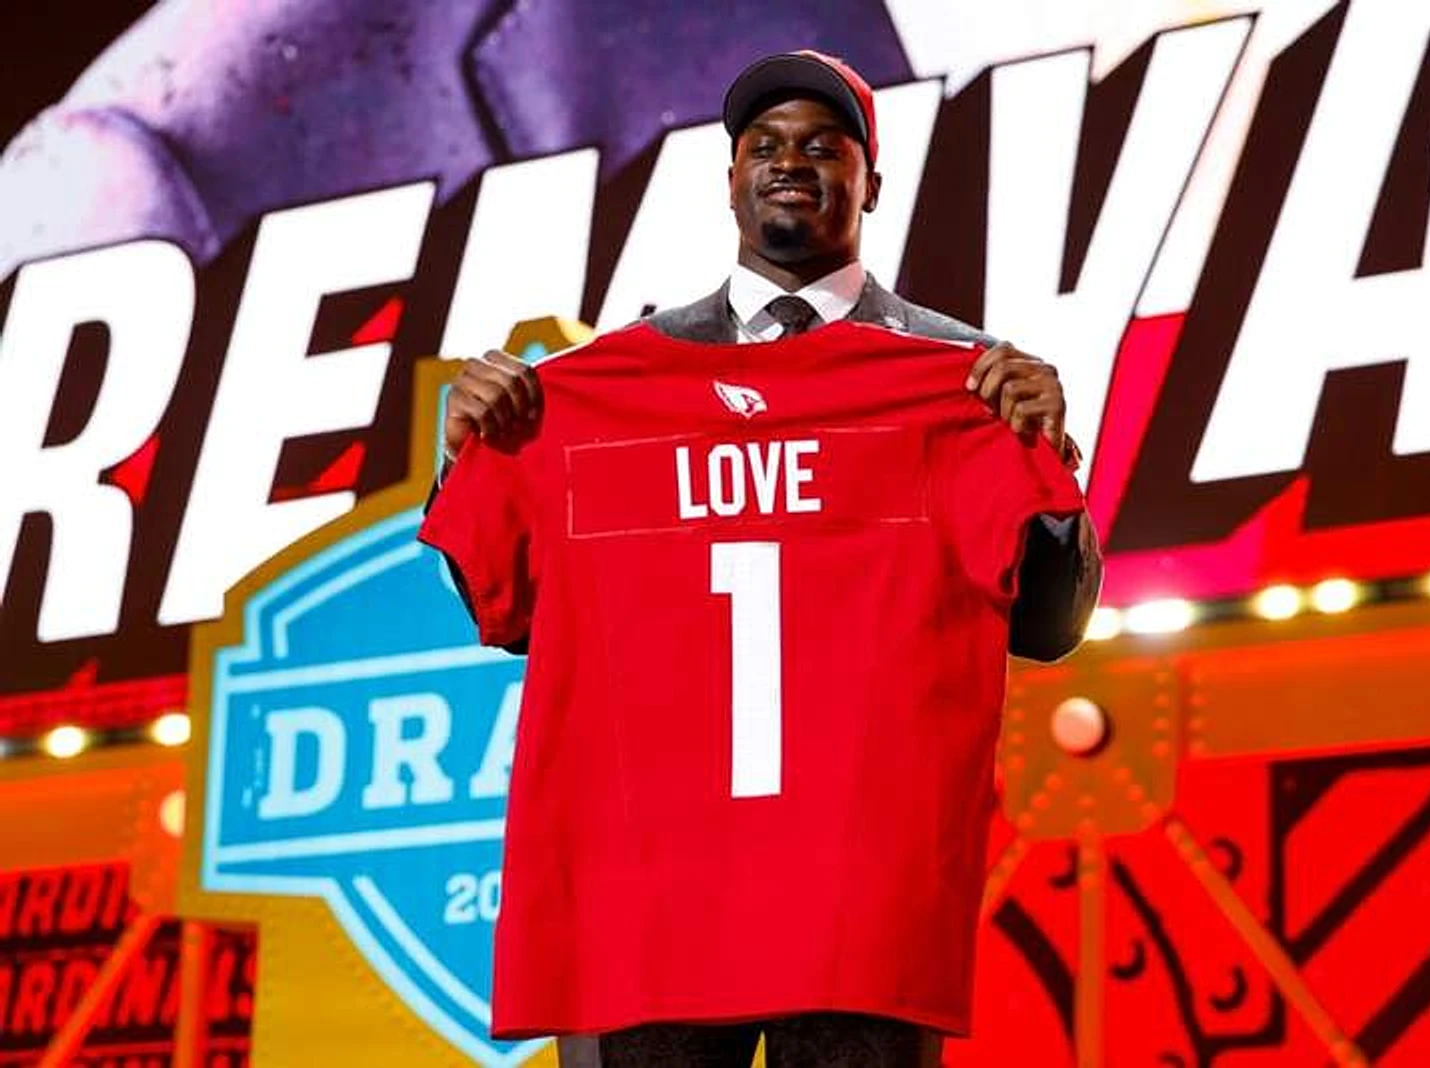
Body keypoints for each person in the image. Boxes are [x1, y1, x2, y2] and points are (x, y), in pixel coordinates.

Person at [433, 50, 1103, 1068]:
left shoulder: (964, 384)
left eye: (824, 145)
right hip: (645, 891)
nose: (791, 161)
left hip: (858, 892)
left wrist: (1044, 456)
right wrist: (470, 458)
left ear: (870, 183)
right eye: (765, 144)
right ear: (732, 177)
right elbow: (508, 611)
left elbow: (1049, 630)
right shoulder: (589, 389)